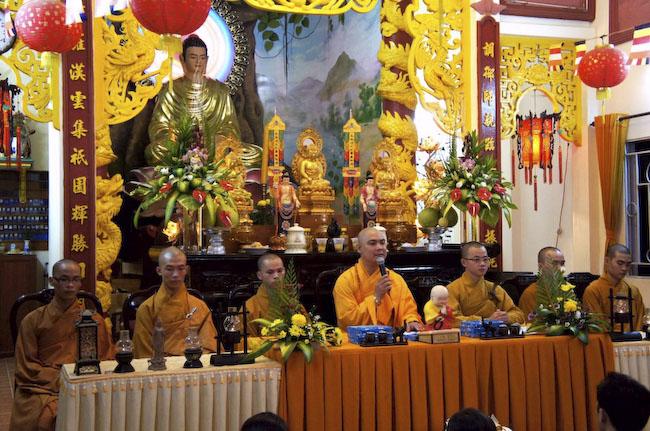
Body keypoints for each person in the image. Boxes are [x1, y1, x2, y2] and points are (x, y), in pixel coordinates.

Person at [10, 259, 113, 431]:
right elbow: (26, 366)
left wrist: (80, 380)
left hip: (85, 383)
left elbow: (106, 359)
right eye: (64, 279)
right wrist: (63, 379)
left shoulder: (95, 321)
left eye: (75, 279)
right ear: (52, 281)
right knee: (43, 418)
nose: (70, 285)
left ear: (80, 283)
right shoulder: (33, 320)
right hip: (43, 386)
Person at [146, 34, 240, 166]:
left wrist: (220, 138)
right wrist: (176, 139)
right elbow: (159, 125)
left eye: (202, 57)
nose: (198, 62)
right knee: (154, 151)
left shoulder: (220, 90)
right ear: (182, 59)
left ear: (207, 60)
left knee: (253, 152)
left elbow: (230, 125)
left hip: (213, 146)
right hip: (180, 146)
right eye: (193, 57)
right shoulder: (170, 89)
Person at [133, 246, 217, 358]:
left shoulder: (199, 307)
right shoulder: (147, 309)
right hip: (159, 365)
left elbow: (209, 346)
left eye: (181, 268)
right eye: (169, 269)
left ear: (187, 270)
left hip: (193, 363)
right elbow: (143, 352)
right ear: (159, 271)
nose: (175, 275)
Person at [333, 227, 423, 331]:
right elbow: (347, 320)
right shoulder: (345, 281)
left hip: (392, 338)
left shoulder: (395, 279)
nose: (379, 247)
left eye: (382, 243)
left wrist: (411, 321)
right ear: (359, 248)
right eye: (372, 243)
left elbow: (409, 310)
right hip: (358, 339)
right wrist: (376, 298)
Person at [446, 242, 525, 325]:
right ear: (464, 262)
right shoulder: (452, 289)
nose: (482, 264)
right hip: (466, 333)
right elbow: (451, 319)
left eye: (485, 259)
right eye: (476, 260)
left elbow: (519, 314)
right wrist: (485, 321)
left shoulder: (494, 288)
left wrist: (507, 318)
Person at [583, 244, 646, 330]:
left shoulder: (633, 291)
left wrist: (635, 337)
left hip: (632, 338)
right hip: (604, 338)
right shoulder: (593, 290)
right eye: (620, 263)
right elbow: (596, 324)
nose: (624, 268)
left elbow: (640, 321)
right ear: (607, 261)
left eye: (628, 265)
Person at [244, 253, 308, 336]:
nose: (276, 276)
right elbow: (246, 341)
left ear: (284, 271)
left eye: (280, 271)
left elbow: (308, 333)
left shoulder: (293, 303)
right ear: (259, 275)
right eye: (270, 272)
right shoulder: (249, 307)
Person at [518, 246, 566, 320]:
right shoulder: (531, 293)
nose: (560, 268)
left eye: (562, 263)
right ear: (541, 266)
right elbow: (530, 323)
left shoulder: (567, 289)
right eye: (554, 264)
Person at [274, 171, 300, 236]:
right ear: (282, 179)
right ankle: (282, 232)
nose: (286, 180)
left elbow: (293, 195)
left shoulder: (291, 187)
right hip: (282, 205)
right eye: (285, 179)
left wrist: (296, 201)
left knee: (289, 220)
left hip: (289, 205)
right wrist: (276, 189)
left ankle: (289, 233)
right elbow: (277, 197)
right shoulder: (279, 187)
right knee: (281, 220)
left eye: (287, 179)